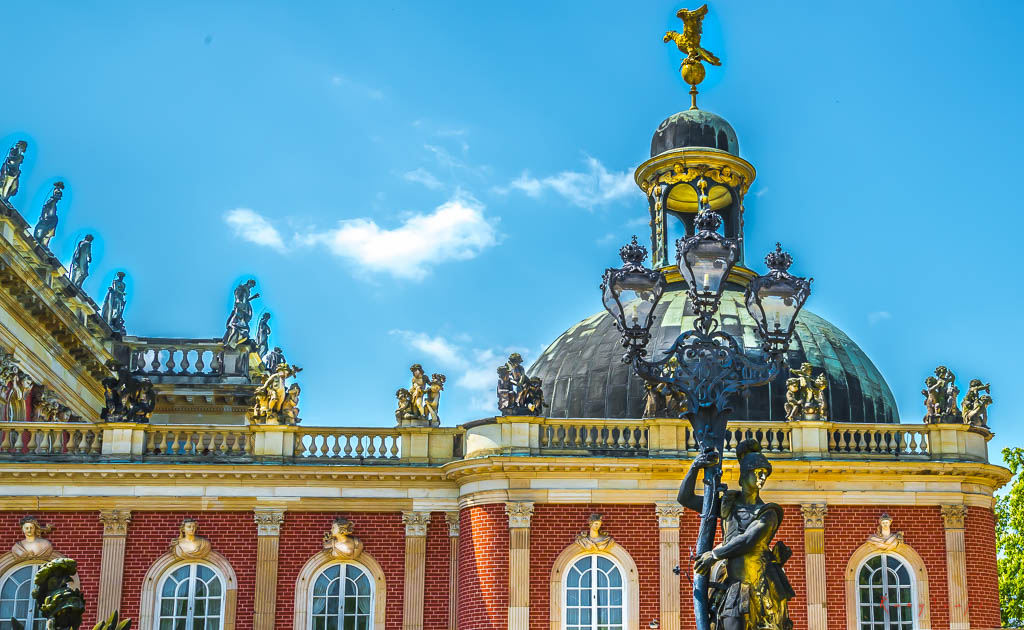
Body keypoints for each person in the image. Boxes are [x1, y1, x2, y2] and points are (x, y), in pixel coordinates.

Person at [678, 439, 794, 630]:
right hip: (734, 586)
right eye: (758, 472)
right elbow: (685, 498)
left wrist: (714, 555)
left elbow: (748, 540)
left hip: (761, 587)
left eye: (765, 473)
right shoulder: (728, 504)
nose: (762, 477)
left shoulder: (768, 512)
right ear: (744, 474)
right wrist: (695, 467)